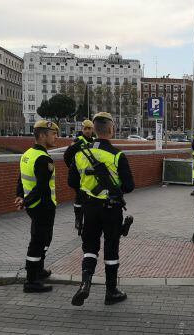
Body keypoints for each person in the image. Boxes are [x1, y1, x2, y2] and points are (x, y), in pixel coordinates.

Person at [68, 112, 135, 306]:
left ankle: (85, 283)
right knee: (111, 248)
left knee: (90, 247)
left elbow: (72, 181)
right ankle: (111, 291)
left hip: (89, 208)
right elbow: (129, 186)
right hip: (111, 208)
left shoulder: (80, 154)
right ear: (111, 129)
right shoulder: (117, 155)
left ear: (94, 130)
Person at [15, 120, 59, 293]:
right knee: (39, 242)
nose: (56, 136)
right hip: (42, 206)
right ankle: (32, 281)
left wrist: (20, 196)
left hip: (33, 205)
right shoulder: (43, 158)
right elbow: (41, 187)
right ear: (42, 135)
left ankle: (38, 270)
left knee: (42, 239)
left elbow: (21, 178)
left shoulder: (27, 154)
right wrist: (24, 200)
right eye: (53, 133)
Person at [64, 119, 95, 231]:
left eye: (89, 128)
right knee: (79, 198)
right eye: (85, 128)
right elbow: (67, 156)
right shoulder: (78, 141)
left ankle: (87, 220)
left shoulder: (95, 142)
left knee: (89, 199)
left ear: (93, 129)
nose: (87, 131)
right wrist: (72, 167)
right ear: (82, 129)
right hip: (77, 177)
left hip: (90, 177)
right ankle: (78, 220)